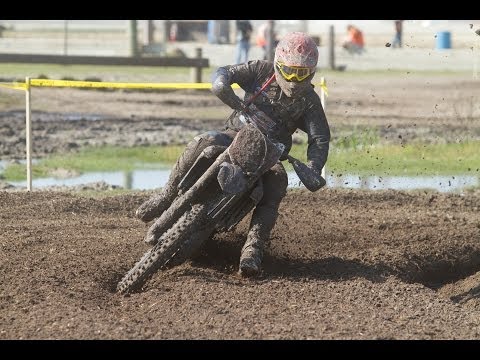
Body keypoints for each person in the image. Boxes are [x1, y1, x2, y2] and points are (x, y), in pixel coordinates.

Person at [135, 32, 330, 278]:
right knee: (205, 140)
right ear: (279, 65)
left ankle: (253, 248)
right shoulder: (260, 70)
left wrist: (314, 166)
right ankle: (166, 195)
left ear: (311, 73)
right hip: (236, 134)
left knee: (278, 181)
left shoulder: (310, 101)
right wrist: (221, 83)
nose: (293, 80)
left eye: (301, 74)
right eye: (289, 71)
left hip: (270, 155)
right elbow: (225, 71)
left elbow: (320, 137)